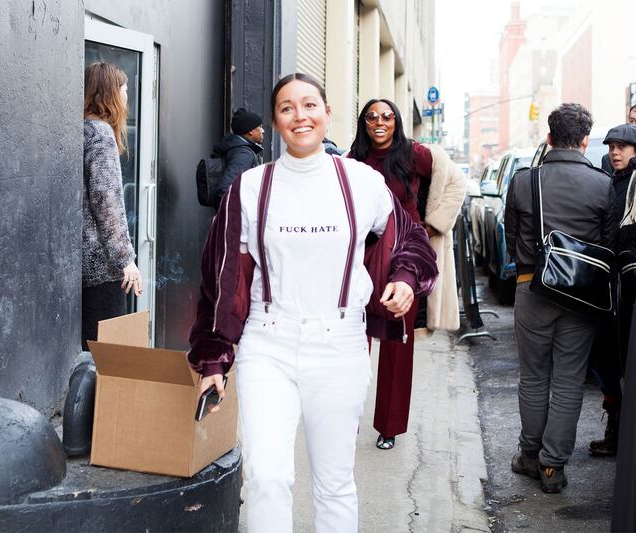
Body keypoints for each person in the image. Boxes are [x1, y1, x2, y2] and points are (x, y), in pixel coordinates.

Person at [187, 73, 437, 533]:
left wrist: (405, 278)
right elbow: (219, 278)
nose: (299, 115)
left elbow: (412, 240)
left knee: (335, 482)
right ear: (275, 120)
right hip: (268, 343)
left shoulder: (362, 181)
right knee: (266, 476)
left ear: (326, 113)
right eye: (286, 108)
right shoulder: (250, 187)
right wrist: (214, 359)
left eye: (309, 105)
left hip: (340, 343)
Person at [505, 103, 617, 493]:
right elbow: (607, 245)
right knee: (569, 381)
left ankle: (530, 455)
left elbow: (511, 237)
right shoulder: (603, 184)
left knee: (534, 377)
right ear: (586, 141)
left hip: (532, 284)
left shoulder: (523, 180)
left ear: (549, 137)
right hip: (581, 294)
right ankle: (553, 467)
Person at [348, 98, 465, 450]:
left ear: (396, 122)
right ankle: (345, 417)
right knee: (353, 337)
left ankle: (389, 426)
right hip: (364, 254)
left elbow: (455, 183)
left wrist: (433, 225)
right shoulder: (352, 160)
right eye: (372, 117)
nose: (379, 122)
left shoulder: (416, 154)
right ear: (364, 123)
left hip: (405, 255)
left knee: (399, 339)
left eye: (386, 116)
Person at [586, 123, 636, 458]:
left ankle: (623, 432)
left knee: (622, 361)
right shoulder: (610, 181)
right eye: (612, 146)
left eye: (623, 147)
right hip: (611, 286)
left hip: (632, 288)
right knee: (607, 360)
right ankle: (617, 427)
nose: (614, 152)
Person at [82, 62, 142, 351]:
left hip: (81, 265)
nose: (127, 97)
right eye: (125, 90)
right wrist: (125, 259)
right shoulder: (101, 134)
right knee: (106, 355)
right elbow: (107, 200)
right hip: (101, 267)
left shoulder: (80, 130)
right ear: (111, 94)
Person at [210, 107, 264, 209]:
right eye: (260, 127)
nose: (263, 131)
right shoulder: (243, 154)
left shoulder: (239, 150)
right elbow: (225, 190)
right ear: (250, 131)